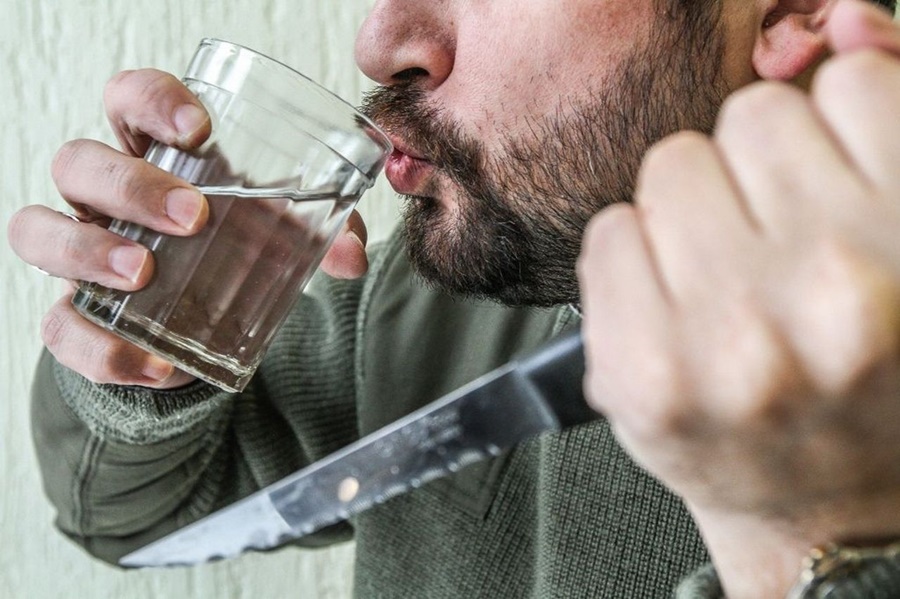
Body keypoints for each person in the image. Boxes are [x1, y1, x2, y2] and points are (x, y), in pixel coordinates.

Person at [8, 0, 900, 596]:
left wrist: (817, 536)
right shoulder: (442, 288)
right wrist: (152, 318)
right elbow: (127, 512)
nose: (379, 40)